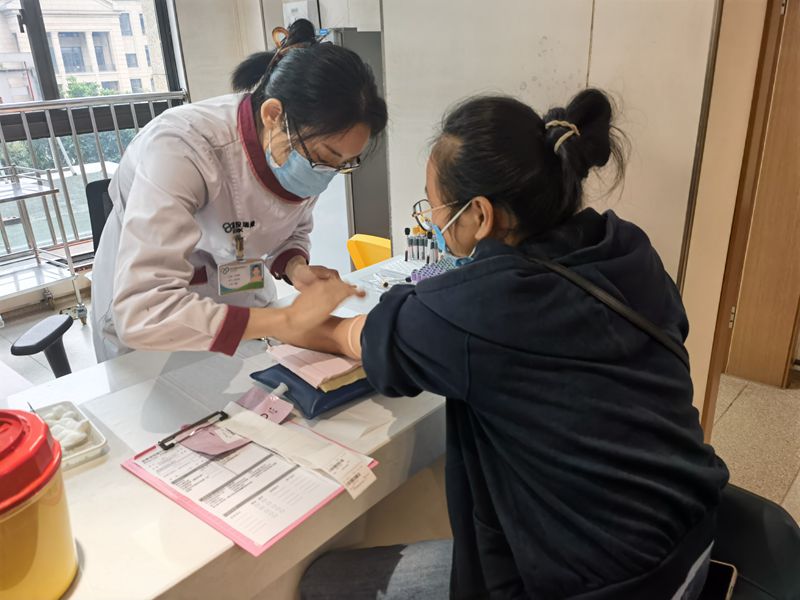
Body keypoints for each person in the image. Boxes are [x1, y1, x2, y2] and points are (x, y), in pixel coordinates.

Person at [281, 89, 730, 598]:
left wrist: (264, 320)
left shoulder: (479, 308)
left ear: (479, 214)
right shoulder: (626, 247)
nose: (432, 222)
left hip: (600, 585)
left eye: (434, 207)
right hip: (692, 541)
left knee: (323, 584)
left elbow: (345, 335)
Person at [90, 19, 386, 361]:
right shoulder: (181, 147)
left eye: (343, 163)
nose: (327, 172)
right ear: (274, 115)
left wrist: (295, 267)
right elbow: (145, 310)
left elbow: (290, 226)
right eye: (325, 158)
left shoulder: (302, 151)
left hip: (240, 298)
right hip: (155, 318)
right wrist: (286, 321)